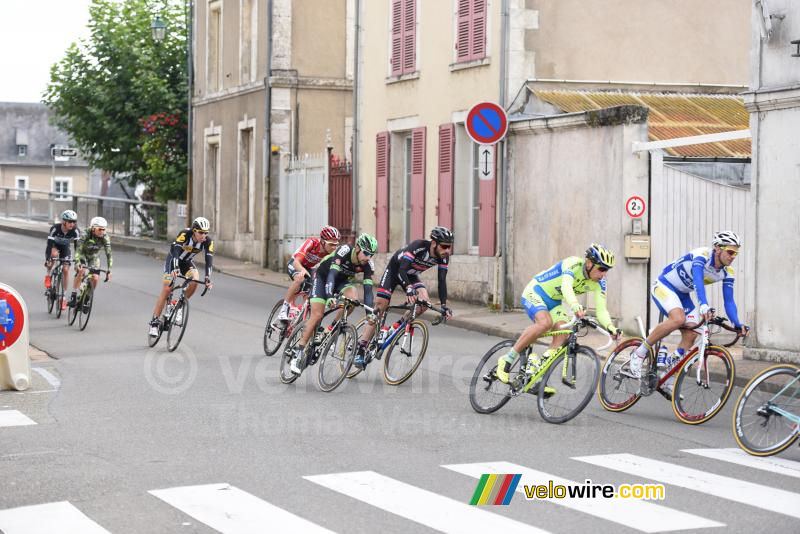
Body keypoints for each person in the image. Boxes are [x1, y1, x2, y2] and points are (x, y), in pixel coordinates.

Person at [628, 231, 749, 396]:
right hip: (664, 286)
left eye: (736, 252)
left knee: (692, 334)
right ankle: (638, 353)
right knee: (678, 319)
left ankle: (667, 377)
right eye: (730, 251)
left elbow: (729, 301)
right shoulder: (702, 256)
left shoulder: (728, 272)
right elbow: (698, 282)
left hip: (682, 295)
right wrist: (704, 306)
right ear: (718, 249)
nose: (733, 256)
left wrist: (737, 323)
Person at [496, 244, 622, 388]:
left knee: (563, 333)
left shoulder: (600, 283)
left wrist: (611, 327)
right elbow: (566, 287)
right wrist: (575, 305)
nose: (604, 274)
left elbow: (601, 310)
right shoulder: (573, 264)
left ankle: (536, 374)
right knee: (545, 323)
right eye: (601, 269)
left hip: (554, 301)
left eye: (607, 270)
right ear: (588, 263)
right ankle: (506, 359)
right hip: (536, 291)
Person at [355, 226, 454, 369]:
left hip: (411, 275)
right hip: (396, 271)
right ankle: (361, 349)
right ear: (434, 243)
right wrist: (408, 289)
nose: (447, 251)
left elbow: (442, 280)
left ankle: (392, 328)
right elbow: (402, 269)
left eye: (450, 247)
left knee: (424, 303)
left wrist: (444, 305)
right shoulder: (419, 246)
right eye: (444, 246)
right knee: (379, 308)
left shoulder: (444, 258)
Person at [288, 233, 378, 375]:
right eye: (366, 253)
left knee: (353, 298)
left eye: (371, 255)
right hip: (324, 277)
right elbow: (331, 275)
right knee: (317, 314)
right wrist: (329, 297)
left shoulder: (368, 265)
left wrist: (370, 314)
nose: (368, 257)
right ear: (358, 248)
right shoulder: (345, 251)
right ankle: (298, 352)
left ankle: (330, 328)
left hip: (341, 282)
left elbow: (368, 291)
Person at [149, 217, 214, 336]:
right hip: (173, 260)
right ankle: (154, 322)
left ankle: (178, 305)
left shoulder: (208, 241)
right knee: (167, 288)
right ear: (194, 231)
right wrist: (175, 268)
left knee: (195, 280)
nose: (203, 235)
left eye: (206, 233)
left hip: (186, 263)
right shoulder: (185, 234)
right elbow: (175, 251)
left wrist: (208, 278)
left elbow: (209, 260)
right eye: (201, 232)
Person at [276, 226, 340, 322]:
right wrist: (302, 270)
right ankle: (284, 310)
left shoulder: (331, 253)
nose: (334, 247)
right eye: (331, 244)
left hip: (310, 268)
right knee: (300, 279)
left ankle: (304, 320)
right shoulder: (312, 243)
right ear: (322, 242)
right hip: (296, 264)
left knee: (311, 295)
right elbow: (296, 262)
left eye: (336, 245)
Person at [69, 216, 113, 308]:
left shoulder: (105, 237)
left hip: (94, 257)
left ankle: (87, 298)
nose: (102, 231)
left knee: (95, 278)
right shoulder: (85, 233)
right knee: (81, 271)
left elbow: (109, 254)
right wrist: (77, 262)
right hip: (82, 254)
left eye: (104, 229)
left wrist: (109, 270)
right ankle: (74, 294)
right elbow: (78, 249)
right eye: (99, 229)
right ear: (93, 228)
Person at [44, 210, 81, 311]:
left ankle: (63, 297)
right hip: (55, 246)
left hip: (65, 248)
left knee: (65, 270)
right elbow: (49, 245)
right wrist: (48, 258)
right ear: (63, 221)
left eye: (74, 222)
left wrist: (78, 261)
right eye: (70, 222)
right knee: (54, 255)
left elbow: (78, 248)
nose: (72, 224)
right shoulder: (55, 228)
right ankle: (48, 275)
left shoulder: (75, 231)